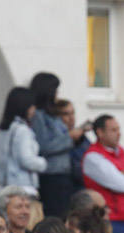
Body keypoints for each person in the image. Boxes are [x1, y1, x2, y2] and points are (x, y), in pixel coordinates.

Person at [29, 72, 86, 219]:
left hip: (64, 175)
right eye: (55, 90)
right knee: (56, 217)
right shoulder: (38, 116)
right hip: (51, 176)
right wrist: (69, 138)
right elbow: (43, 145)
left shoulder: (51, 114)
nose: (57, 94)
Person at [0, 87, 47, 198]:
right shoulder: (22, 130)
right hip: (22, 186)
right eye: (32, 106)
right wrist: (43, 163)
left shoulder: (5, 128)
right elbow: (26, 160)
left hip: (3, 184)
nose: (34, 110)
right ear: (24, 106)